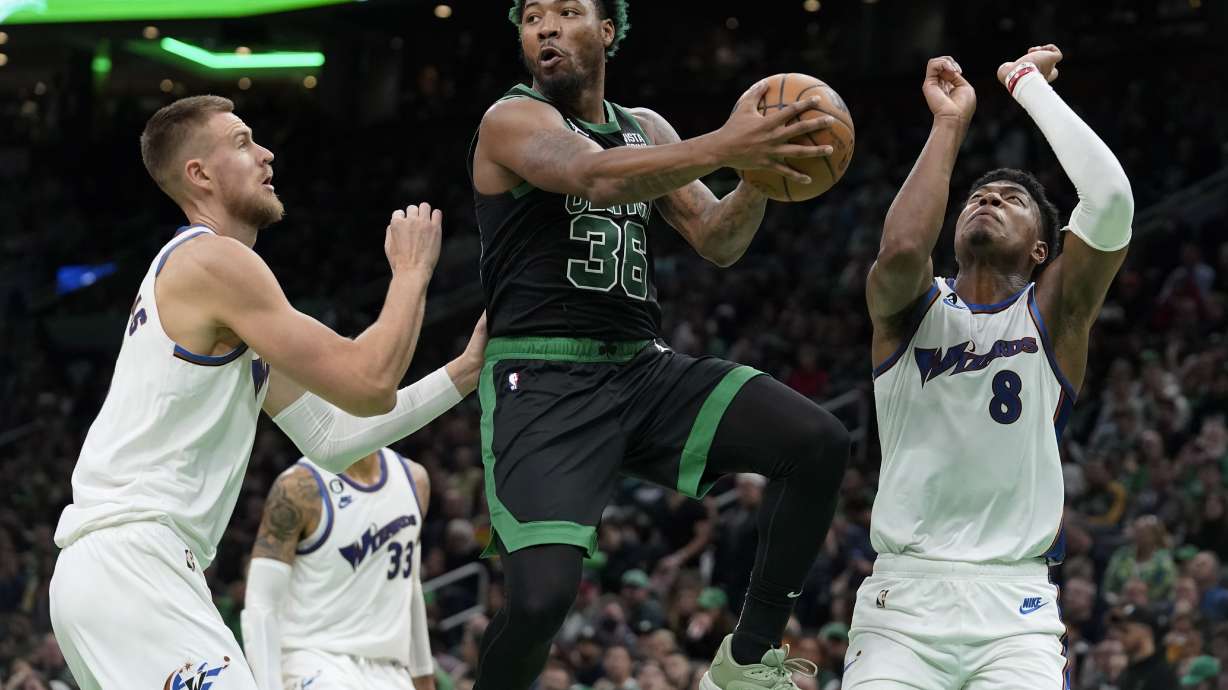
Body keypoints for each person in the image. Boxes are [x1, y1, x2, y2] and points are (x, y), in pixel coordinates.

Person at [467, 2, 851, 689]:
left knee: (817, 441)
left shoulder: (648, 129)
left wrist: (757, 179)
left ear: (608, 30)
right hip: (544, 380)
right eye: (531, 17)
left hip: (641, 371)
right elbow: (596, 175)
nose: (544, 28)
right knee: (539, 600)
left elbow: (718, 239)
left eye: (566, 11)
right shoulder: (511, 120)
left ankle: (747, 656)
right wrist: (733, 144)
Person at [47, 95, 486, 689]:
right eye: (242, 142)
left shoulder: (218, 298)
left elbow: (335, 437)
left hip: (117, 569)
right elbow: (368, 382)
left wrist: (463, 372)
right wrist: (410, 274)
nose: (266, 153)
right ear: (198, 174)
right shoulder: (211, 260)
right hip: (133, 562)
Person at [847, 44, 1134, 688]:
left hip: (1015, 608)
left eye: (1010, 198)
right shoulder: (908, 309)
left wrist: (1027, 84)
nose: (988, 200)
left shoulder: (1053, 316)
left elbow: (1111, 199)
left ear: (1041, 248)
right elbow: (899, 248)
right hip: (902, 604)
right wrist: (949, 125)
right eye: (978, 196)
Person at [239, 447, 441, 690]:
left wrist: (423, 676)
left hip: (389, 671)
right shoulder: (299, 487)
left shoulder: (414, 479)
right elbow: (261, 602)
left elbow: (410, 585)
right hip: (313, 660)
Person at [1110, 605, 1178, 690]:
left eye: (1125, 630)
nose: (1119, 635)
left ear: (1146, 632)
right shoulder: (1127, 671)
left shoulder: (1161, 673)